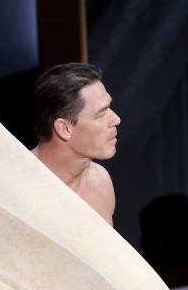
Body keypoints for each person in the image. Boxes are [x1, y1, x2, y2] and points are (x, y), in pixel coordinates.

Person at [30, 63, 120, 226]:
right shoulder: (18, 188)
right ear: (64, 128)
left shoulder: (100, 181)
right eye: (101, 115)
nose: (116, 120)